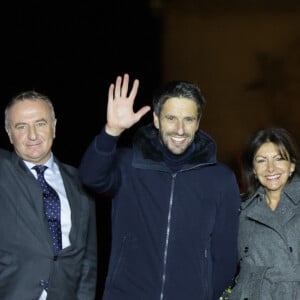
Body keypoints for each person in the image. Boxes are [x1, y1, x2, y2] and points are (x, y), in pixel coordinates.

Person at [79, 73, 241, 300]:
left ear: (198, 122)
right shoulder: (128, 164)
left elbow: (225, 255)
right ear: (156, 119)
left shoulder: (221, 179)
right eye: (171, 118)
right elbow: (90, 176)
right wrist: (112, 131)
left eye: (189, 119)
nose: (180, 129)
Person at [0, 91, 98, 300]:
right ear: (9, 133)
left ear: (54, 126)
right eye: (21, 126)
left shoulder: (80, 182)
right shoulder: (3, 172)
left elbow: (87, 263)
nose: (33, 135)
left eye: (40, 123)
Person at [229, 127, 300, 300]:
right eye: (261, 161)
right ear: (253, 169)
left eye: (279, 159)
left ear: (291, 165)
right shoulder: (241, 210)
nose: (270, 168)